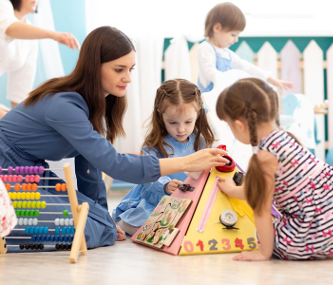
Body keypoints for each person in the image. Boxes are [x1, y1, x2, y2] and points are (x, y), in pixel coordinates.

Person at [0, 26, 228, 250]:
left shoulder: (92, 104)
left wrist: (105, 218)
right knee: (89, 230)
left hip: (29, 171)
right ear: (93, 67)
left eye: (131, 69)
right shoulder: (64, 105)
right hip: (6, 168)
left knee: (101, 222)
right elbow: (115, 164)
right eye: (119, 70)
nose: (128, 78)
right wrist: (187, 162)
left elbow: (89, 167)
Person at [216, 77, 333, 261]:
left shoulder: (263, 158)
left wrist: (264, 252)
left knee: (271, 236)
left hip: (319, 220)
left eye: (229, 126)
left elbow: (261, 207)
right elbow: (256, 190)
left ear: (239, 125)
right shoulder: (286, 137)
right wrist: (231, 189)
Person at [113, 79, 215, 236]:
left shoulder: (201, 142)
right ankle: (120, 224)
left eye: (188, 122)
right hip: (156, 200)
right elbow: (146, 176)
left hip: (190, 199)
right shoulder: (154, 144)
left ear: (198, 115)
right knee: (147, 228)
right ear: (161, 117)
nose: (181, 129)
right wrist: (165, 185)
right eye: (173, 122)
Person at [0, 0, 79, 110]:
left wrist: (19, 122)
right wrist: (52, 34)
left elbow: (19, 89)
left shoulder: (31, 36)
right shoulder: (2, 4)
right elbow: (10, 28)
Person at [197, 2, 293, 93]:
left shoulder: (226, 53)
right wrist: (231, 78)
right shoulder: (205, 48)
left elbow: (246, 67)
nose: (236, 40)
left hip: (222, 101)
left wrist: (271, 80)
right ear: (217, 28)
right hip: (208, 102)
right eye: (233, 34)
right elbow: (209, 72)